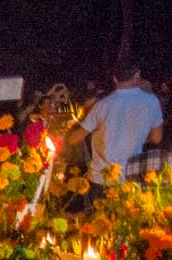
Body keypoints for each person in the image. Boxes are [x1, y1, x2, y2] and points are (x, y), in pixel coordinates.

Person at [65, 62, 164, 200]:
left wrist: (81, 119)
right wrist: (135, 137)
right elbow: (157, 138)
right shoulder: (152, 101)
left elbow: (73, 138)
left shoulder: (102, 104)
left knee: (99, 220)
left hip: (101, 178)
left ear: (115, 79)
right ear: (137, 76)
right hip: (132, 177)